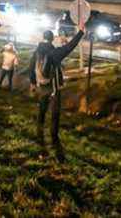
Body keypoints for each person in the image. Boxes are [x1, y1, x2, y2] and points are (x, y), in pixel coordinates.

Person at [25, 25, 84, 162]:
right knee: (55, 112)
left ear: (43, 38)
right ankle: (54, 136)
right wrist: (81, 32)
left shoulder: (37, 51)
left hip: (41, 86)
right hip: (53, 87)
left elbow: (31, 67)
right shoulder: (54, 53)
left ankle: (39, 130)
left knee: (42, 108)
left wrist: (33, 83)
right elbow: (70, 47)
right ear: (52, 39)